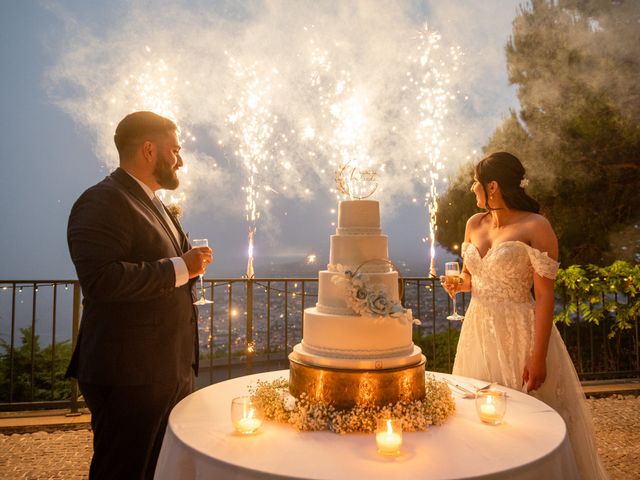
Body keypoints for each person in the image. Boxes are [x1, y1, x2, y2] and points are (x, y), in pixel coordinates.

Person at [66, 111, 212, 479]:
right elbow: (101, 279)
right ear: (149, 150)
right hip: (130, 373)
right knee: (124, 469)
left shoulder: (155, 203)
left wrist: (187, 268)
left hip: (164, 369)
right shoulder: (102, 201)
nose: (180, 160)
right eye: (175, 150)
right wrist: (182, 268)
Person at [443, 152, 608, 479]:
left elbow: (545, 297)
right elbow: (470, 277)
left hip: (520, 331)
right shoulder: (473, 224)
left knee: (525, 422)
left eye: (476, 182)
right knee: (476, 419)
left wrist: (538, 356)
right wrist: (459, 284)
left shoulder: (536, 225)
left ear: (492, 185)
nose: (472, 188)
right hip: (477, 330)